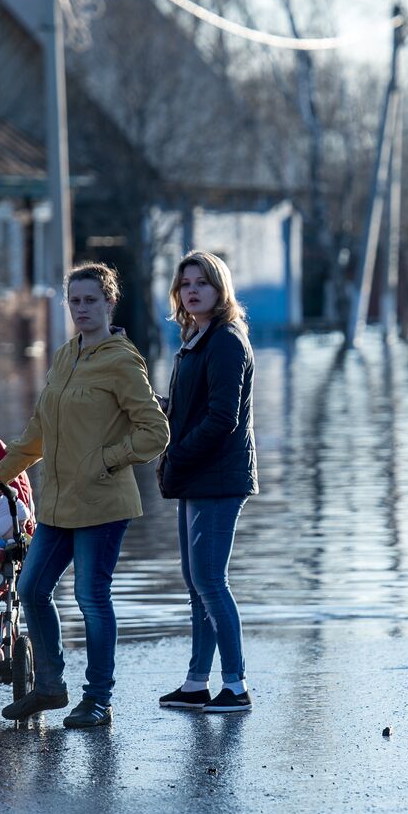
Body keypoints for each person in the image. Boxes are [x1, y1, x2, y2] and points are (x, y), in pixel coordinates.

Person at [0, 262, 168, 728]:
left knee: (91, 597)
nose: (83, 308)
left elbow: (155, 432)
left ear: (110, 303)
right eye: (75, 301)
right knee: (30, 587)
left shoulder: (123, 359)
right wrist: (2, 472)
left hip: (103, 503)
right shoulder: (66, 356)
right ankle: (50, 685)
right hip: (58, 504)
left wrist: (107, 460)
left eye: (92, 300)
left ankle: (98, 700)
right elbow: (39, 430)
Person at [156, 251, 258, 713]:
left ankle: (235, 686)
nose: (192, 290)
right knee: (195, 581)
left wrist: (176, 453)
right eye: (185, 283)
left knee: (210, 580)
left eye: (203, 282)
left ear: (221, 290)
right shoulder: (196, 338)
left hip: (217, 477)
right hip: (196, 476)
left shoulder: (226, 341)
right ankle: (197, 682)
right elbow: (187, 410)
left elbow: (223, 420)